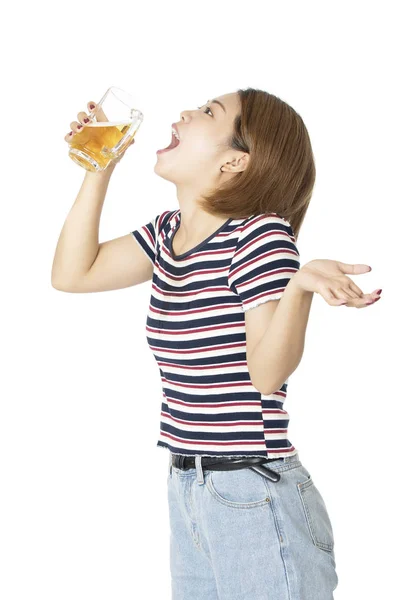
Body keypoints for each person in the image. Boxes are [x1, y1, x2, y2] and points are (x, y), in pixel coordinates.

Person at [52, 87, 381, 599]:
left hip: (252, 490)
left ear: (235, 161)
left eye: (209, 112)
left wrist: (298, 289)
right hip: (189, 486)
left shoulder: (259, 236)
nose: (185, 111)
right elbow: (73, 274)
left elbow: (267, 376)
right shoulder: (166, 236)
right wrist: (98, 167)